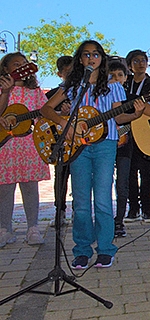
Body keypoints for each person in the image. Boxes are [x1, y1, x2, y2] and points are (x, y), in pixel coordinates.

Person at [40, 40, 148, 268]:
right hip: (77, 147)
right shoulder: (72, 86)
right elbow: (46, 108)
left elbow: (118, 117)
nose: (91, 58)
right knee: (80, 202)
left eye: (96, 54)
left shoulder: (114, 85)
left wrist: (135, 116)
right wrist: (64, 124)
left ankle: (106, 249)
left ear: (102, 58)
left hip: (105, 146)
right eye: (86, 54)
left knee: (102, 200)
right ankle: (81, 249)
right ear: (80, 59)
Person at [0, 52, 50, 248]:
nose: (21, 66)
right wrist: (5, 92)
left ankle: (33, 228)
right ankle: (4, 229)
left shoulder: (35, 92)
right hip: (6, 145)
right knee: (4, 189)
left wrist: (59, 113)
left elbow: (44, 113)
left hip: (29, 144)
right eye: (16, 64)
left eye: (24, 64)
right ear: (5, 69)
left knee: (30, 187)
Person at [124, 49, 150, 223]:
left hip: (146, 130)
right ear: (130, 65)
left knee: (147, 172)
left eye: (143, 60)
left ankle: (147, 208)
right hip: (125, 131)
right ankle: (133, 208)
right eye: (136, 61)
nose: (141, 64)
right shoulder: (124, 82)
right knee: (129, 171)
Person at [46, 55, 73, 228]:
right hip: (60, 142)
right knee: (61, 177)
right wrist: (60, 114)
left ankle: (80, 211)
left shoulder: (83, 92)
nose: (71, 75)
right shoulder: (51, 95)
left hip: (81, 142)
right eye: (67, 72)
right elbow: (43, 118)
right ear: (59, 74)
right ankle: (60, 211)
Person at [108, 60, 131, 237]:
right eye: (111, 76)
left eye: (120, 75)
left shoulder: (130, 99)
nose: (116, 79)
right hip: (103, 144)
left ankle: (119, 221)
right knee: (104, 184)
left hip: (125, 147)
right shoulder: (100, 97)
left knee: (122, 185)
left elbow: (134, 121)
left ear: (126, 77)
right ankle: (105, 221)